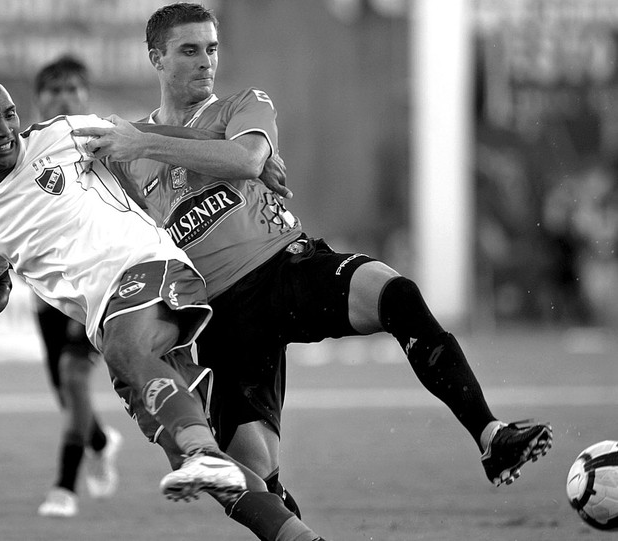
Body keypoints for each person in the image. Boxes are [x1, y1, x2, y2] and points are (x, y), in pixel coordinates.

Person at [73, 1, 553, 504]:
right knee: (253, 473)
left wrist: (146, 140)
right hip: (220, 316)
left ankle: (491, 436)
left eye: (212, 49)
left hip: (285, 269)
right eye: (189, 51)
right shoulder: (125, 156)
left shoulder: (239, 107)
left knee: (395, 294)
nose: (205, 61)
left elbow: (245, 157)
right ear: (156, 59)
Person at [0, 72, 329, 541]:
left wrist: (252, 154)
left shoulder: (65, 135)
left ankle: (198, 448)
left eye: (9, 115)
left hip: (150, 267)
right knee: (210, 475)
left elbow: (148, 137)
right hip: (107, 321)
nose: (5, 129)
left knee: (131, 358)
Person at [22, 54, 122, 519]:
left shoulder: (104, 141)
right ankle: (100, 442)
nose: (63, 98)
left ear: (86, 95)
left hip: (100, 283)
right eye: (54, 90)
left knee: (73, 375)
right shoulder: (22, 153)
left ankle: (64, 487)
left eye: (72, 90)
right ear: (38, 98)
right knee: (65, 390)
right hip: (48, 292)